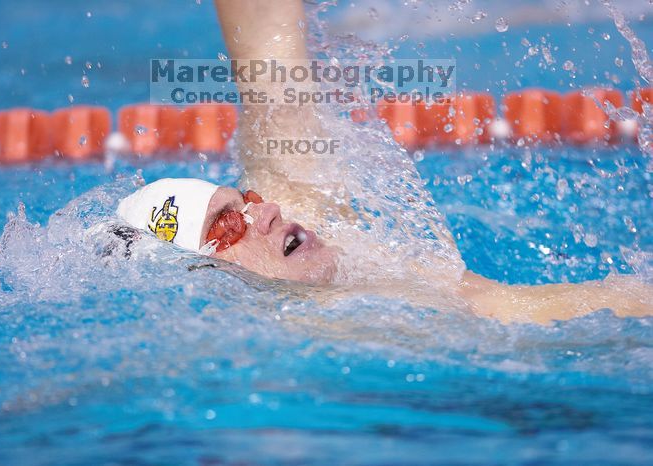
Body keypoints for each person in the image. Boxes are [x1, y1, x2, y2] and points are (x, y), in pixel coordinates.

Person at [116, 0, 651, 324]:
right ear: (199, 278)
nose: (269, 209)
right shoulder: (269, 365)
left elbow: (265, 43)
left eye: (247, 200)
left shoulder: (336, 241)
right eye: (229, 226)